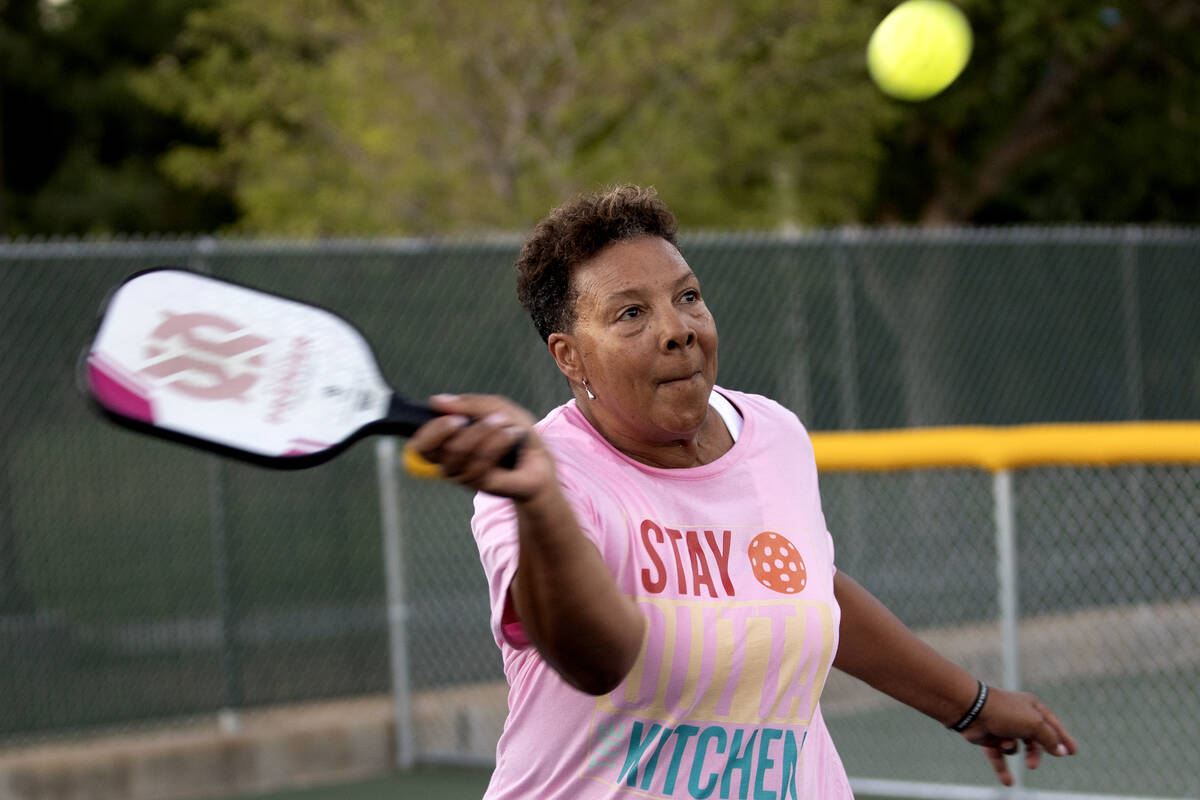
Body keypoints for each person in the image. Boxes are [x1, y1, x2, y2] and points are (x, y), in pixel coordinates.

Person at [409, 185, 1076, 799]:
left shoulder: (775, 435)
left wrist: (970, 703)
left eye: (688, 296)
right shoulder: (539, 482)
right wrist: (540, 502)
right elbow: (594, 660)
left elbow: (806, 587)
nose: (677, 328)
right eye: (631, 313)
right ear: (569, 357)